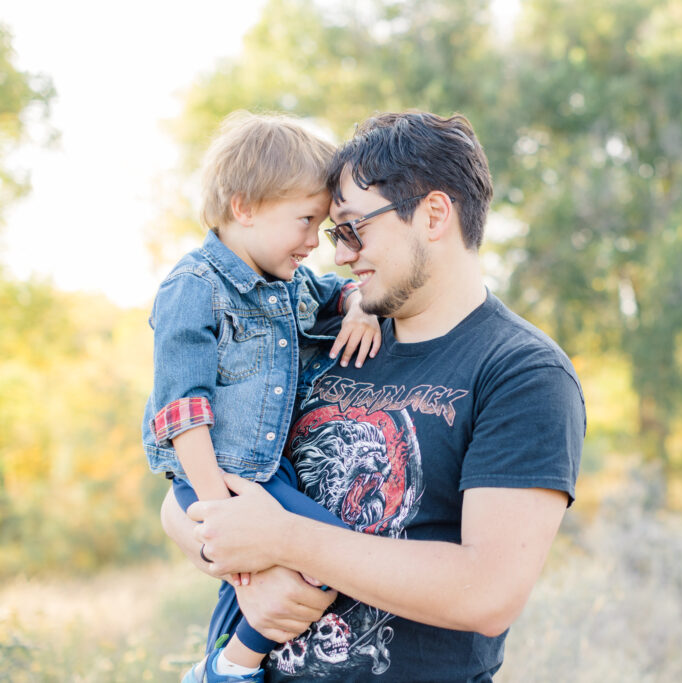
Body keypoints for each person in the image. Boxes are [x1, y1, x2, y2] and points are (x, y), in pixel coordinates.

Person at [162, 110, 586, 682]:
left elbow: (488, 593)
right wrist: (247, 573)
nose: (338, 254)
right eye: (334, 233)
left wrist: (285, 540)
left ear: (433, 214)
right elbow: (182, 498)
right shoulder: (319, 341)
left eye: (353, 229)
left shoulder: (521, 373)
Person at [142, 111, 382, 683]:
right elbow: (183, 412)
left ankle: (216, 665)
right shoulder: (193, 288)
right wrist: (219, 511)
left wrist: (357, 304)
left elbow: (337, 292)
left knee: (272, 575)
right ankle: (232, 666)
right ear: (244, 206)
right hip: (216, 476)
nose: (312, 242)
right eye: (304, 220)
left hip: (267, 474)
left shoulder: (289, 283)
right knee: (336, 552)